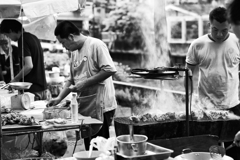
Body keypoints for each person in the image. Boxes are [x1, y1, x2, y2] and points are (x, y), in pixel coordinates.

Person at [47, 21, 117, 150]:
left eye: (63, 43)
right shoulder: (74, 52)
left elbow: (110, 69)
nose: (64, 47)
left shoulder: (96, 45)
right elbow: (71, 79)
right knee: (89, 148)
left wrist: (84, 83)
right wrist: (59, 98)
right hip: (86, 105)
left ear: (71, 37)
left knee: (101, 149)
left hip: (101, 106)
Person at [185, 7, 240, 113]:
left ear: (230, 26)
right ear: (209, 25)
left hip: (234, 104)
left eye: (224, 30)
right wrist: (189, 100)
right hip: (206, 106)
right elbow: (188, 73)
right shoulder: (197, 45)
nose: (219, 34)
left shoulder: (237, 41)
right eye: (215, 29)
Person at [0, 19, 48, 100]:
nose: (9, 39)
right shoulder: (33, 37)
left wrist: (15, 79)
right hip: (42, 89)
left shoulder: (22, 40)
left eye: (8, 35)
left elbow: (29, 66)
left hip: (32, 91)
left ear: (11, 30)